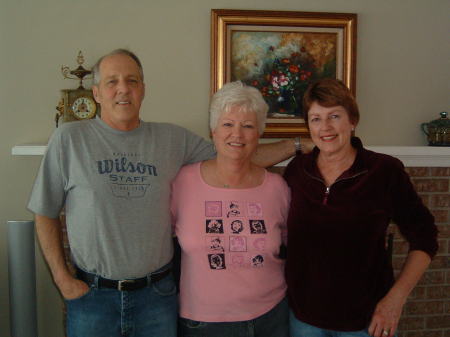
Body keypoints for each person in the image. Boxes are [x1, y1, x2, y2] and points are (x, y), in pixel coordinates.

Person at [27, 49, 302, 337]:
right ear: (96, 92)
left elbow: (235, 154)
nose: (123, 89)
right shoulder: (69, 139)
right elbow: (44, 211)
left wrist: (295, 145)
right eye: (112, 81)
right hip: (93, 297)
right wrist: (62, 279)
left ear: (143, 90)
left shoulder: (172, 139)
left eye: (132, 80)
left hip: (156, 299)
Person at [283, 78, 438, 337]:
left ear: (352, 120)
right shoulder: (298, 171)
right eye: (316, 118)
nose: (325, 127)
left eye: (334, 116)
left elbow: (426, 238)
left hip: (366, 322)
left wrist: (395, 300)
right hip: (304, 319)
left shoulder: (384, 171)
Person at [171, 81, 291, 337]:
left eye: (248, 126)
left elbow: (294, 246)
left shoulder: (277, 188)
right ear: (213, 131)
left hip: (271, 318)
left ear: (258, 134)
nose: (237, 135)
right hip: (203, 323)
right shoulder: (183, 182)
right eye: (227, 124)